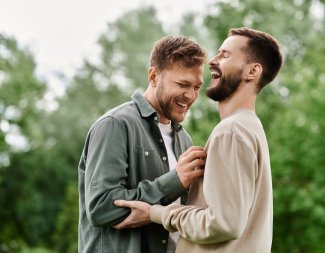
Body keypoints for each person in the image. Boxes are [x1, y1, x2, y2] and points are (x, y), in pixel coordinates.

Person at [113, 27, 284, 253]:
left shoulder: (231, 131)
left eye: (225, 55)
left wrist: (156, 213)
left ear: (252, 72)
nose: (213, 60)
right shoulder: (249, 127)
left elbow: (223, 223)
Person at [78, 35, 208, 253]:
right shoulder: (115, 125)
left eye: (197, 86)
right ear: (153, 76)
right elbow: (101, 208)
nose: (191, 95)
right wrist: (174, 181)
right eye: (182, 84)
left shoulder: (185, 140)